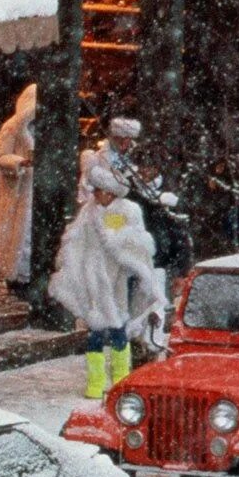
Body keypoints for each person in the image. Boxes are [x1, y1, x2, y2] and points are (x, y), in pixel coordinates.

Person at [49, 162, 167, 399]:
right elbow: (76, 239)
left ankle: (121, 380)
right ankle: (95, 382)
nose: (94, 194)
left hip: (118, 279)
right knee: (95, 331)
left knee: (118, 328)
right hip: (93, 277)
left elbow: (136, 244)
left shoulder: (128, 210)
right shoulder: (88, 211)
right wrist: (69, 261)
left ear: (110, 191)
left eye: (98, 189)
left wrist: (118, 247)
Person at [0, 84, 37, 284]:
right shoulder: (12, 127)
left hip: (37, 190)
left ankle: (31, 273)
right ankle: (15, 274)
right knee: (18, 233)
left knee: (31, 232)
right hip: (18, 190)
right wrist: (20, 162)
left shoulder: (46, 127)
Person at [77, 115, 141, 203]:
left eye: (126, 138)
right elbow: (86, 190)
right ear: (112, 137)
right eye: (118, 137)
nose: (122, 141)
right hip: (103, 207)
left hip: (131, 206)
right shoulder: (95, 158)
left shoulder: (139, 157)